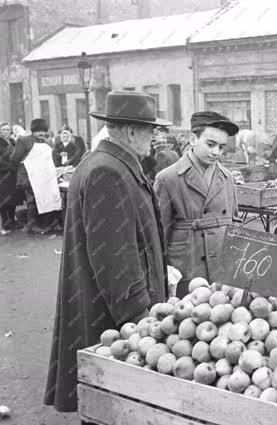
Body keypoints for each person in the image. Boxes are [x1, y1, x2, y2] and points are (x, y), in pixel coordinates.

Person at [44, 91, 169, 413]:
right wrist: (140, 320)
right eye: (150, 131)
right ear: (130, 131)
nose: (154, 138)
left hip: (104, 308)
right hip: (111, 316)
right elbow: (116, 261)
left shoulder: (108, 163)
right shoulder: (108, 171)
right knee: (110, 404)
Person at [154, 111, 241, 297]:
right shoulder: (168, 178)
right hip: (188, 268)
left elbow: (236, 225)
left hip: (221, 271)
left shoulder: (227, 178)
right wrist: (165, 274)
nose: (216, 152)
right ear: (193, 139)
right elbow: (158, 236)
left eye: (222, 147)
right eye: (210, 144)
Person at [10, 118, 61, 233]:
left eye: (43, 131)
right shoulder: (23, 141)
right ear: (32, 131)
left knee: (46, 198)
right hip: (28, 177)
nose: (41, 133)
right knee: (32, 200)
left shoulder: (48, 142)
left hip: (44, 177)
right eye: (38, 131)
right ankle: (31, 225)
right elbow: (14, 159)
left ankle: (45, 223)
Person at [0, 122, 19, 231]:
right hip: (3, 175)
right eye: (4, 130)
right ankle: (5, 222)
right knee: (3, 200)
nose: (6, 132)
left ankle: (12, 220)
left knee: (13, 199)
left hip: (13, 175)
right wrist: (10, 166)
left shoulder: (13, 142)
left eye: (8, 129)